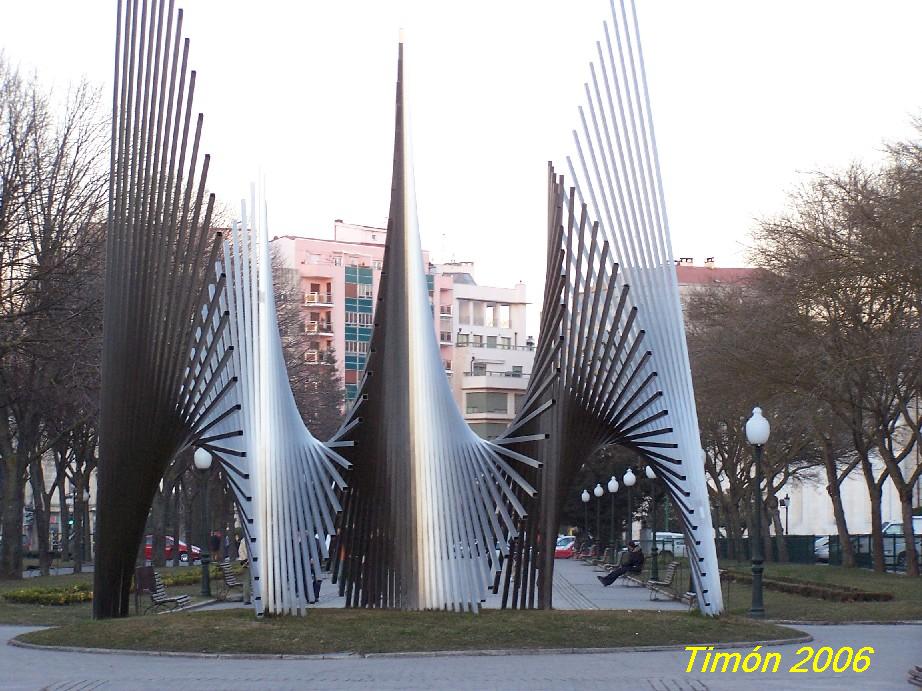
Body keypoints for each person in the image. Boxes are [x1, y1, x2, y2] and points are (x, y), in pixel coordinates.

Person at [238, 536, 251, 604]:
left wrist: (244, 560)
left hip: (246, 563)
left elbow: (240, 551)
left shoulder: (243, 540)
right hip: (256, 563)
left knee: (246, 582)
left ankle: (246, 599)